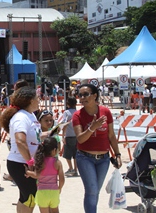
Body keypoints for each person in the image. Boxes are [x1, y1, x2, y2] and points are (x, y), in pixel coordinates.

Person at [72, 83, 122, 213]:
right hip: (85, 158)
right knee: (92, 190)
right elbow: (80, 139)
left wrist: (118, 154)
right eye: (80, 95)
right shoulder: (77, 115)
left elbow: (111, 136)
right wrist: (92, 127)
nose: (82, 98)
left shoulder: (105, 112)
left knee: (95, 191)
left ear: (94, 95)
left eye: (85, 94)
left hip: (104, 159)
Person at [0, 86, 40, 213]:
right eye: (37, 98)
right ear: (31, 101)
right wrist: (30, 162)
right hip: (20, 163)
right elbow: (20, 141)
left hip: (25, 162)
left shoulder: (30, 115)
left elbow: (34, 137)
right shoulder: (21, 117)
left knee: (27, 196)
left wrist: (50, 134)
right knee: (29, 197)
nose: (39, 100)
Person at [25, 137, 65, 213]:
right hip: (54, 192)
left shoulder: (40, 161)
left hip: (42, 192)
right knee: (55, 211)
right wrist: (59, 188)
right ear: (54, 150)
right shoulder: (58, 163)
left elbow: (36, 175)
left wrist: (28, 172)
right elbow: (62, 179)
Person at [61, 97, 78, 177]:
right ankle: (75, 169)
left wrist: (63, 136)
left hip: (69, 135)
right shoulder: (78, 112)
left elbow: (64, 124)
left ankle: (70, 168)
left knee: (67, 154)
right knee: (75, 154)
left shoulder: (66, 112)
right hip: (77, 136)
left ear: (67, 104)